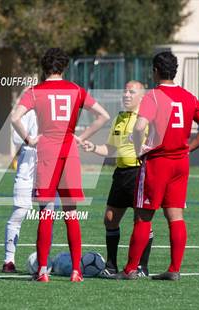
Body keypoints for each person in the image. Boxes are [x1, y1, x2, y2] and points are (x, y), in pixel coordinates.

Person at [11, 48, 110, 282]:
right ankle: (77, 270)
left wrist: (29, 139)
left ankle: (43, 271)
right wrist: (82, 137)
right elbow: (103, 116)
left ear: (43, 67)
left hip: (46, 151)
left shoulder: (36, 91)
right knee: (71, 214)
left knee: (46, 212)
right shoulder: (75, 90)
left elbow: (15, 117)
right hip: (69, 152)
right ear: (64, 67)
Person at [119, 51, 199, 280]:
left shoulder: (153, 96)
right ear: (175, 71)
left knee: (143, 216)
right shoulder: (188, 97)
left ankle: (130, 269)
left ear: (155, 70)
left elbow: (139, 127)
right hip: (180, 164)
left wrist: (138, 150)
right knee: (175, 216)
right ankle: (174, 269)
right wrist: (189, 148)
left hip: (158, 162)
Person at [82, 80, 153, 278]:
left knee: (141, 221)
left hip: (139, 172)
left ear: (141, 97)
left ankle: (142, 267)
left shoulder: (146, 118)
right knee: (110, 219)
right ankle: (111, 266)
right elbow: (110, 149)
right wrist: (94, 148)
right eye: (125, 92)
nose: (126, 95)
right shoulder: (119, 118)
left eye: (131, 92)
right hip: (121, 174)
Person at [3, 108, 38, 273]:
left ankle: (42, 261)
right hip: (27, 167)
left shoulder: (58, 111)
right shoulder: (29, 113)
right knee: (19, 213)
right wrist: (32, 139)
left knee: (49, 214)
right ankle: (8, 260)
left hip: (52, 166)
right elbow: (17, 137)